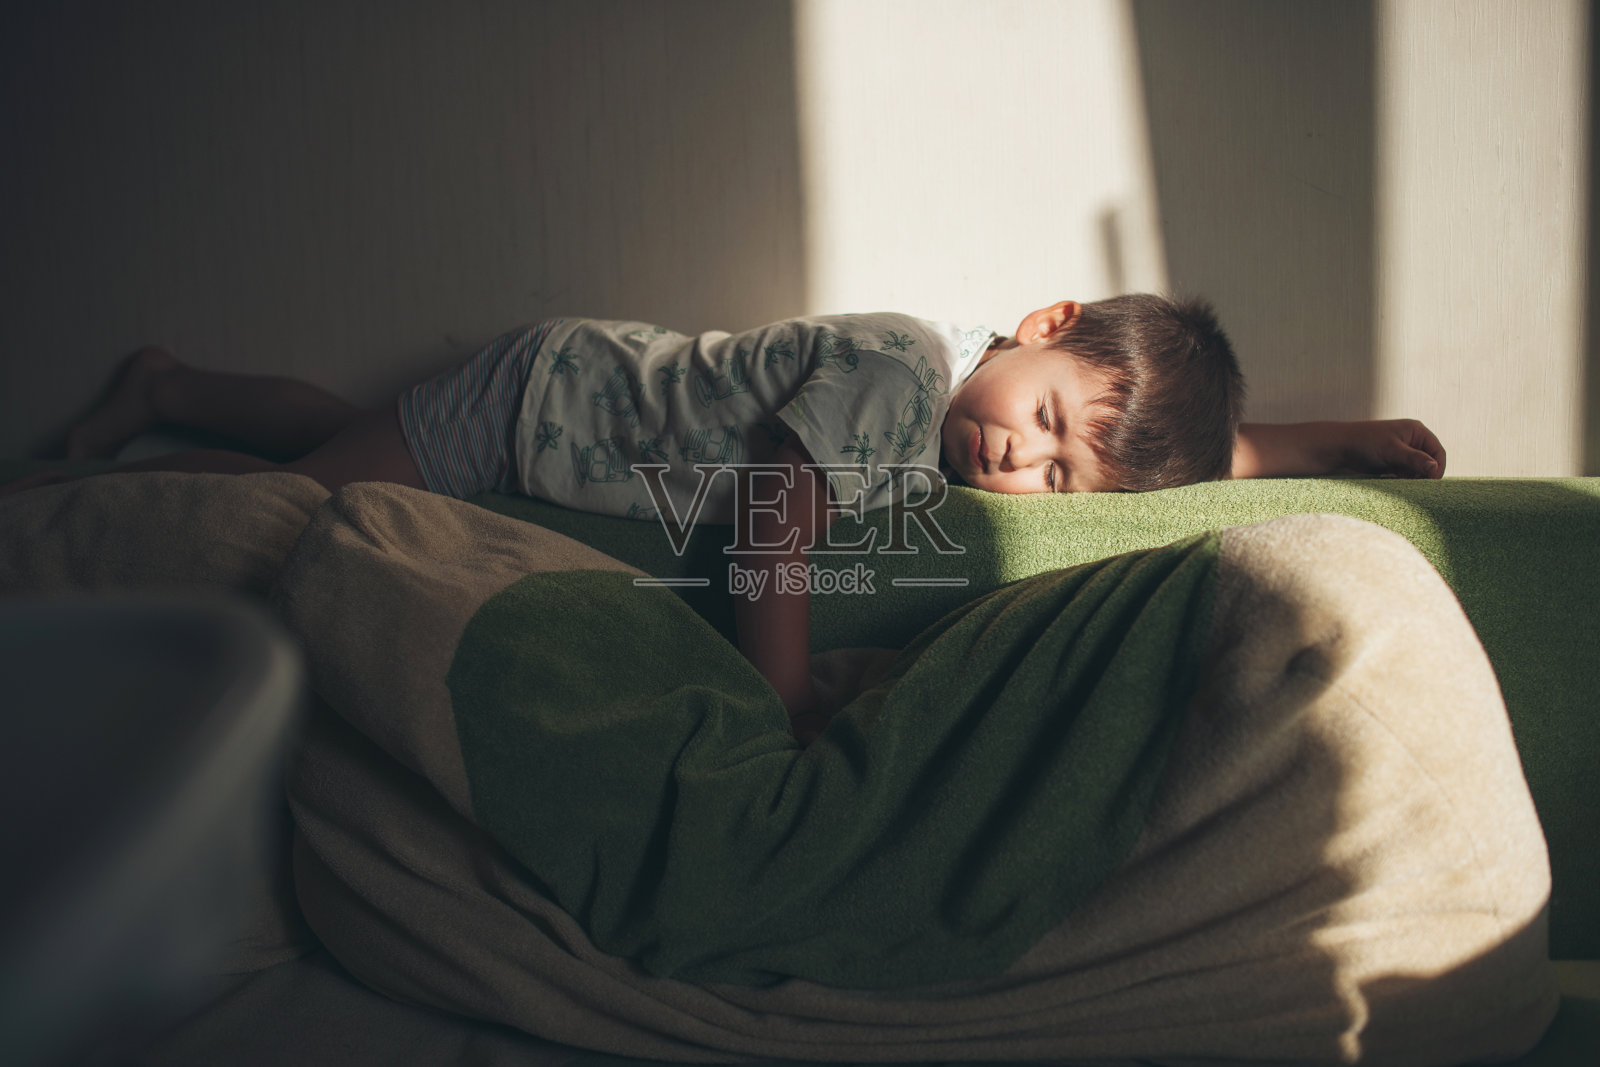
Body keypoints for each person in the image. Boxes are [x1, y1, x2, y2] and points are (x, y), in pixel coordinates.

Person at [16, 293, 1446, 739]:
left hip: (531, 428)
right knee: (292, 507)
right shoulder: (899, 372)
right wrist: (777, 691)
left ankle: (170, 386)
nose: (1024, 463)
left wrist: (1346, 443)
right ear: (1039, 323)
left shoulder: (980, 435)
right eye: (1048, 422)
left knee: (341, 433)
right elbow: (773, 515)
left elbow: (1177, 455)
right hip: (540, 405)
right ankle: (99, 503)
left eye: (1061, 480)